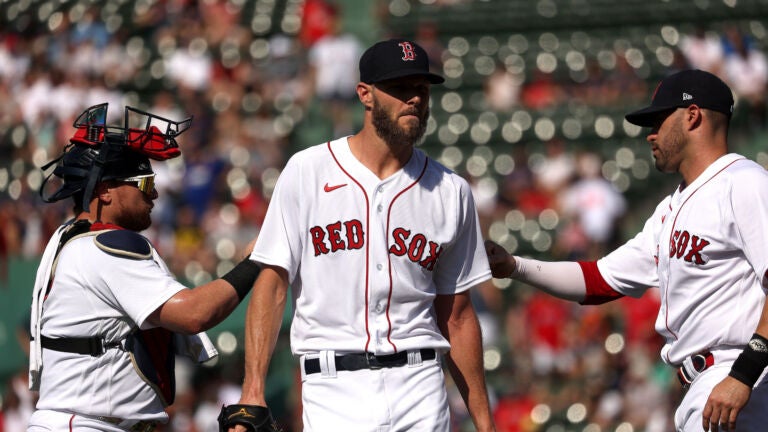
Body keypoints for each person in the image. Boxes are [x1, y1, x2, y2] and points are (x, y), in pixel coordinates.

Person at [224, 39, 496, 431]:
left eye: (421, 88)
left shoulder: (451, 191)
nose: (414, 99)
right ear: (365, 95)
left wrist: (485, 423)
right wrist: (253, 390)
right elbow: (273, 283)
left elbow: (457, 315)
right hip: (333, 386)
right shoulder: (308, 171)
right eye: (400, 89)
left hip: (419, 384)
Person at [485, 69, 768, 432]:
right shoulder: (670, 208)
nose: (650, 134)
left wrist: (744, 374)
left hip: (742, 377)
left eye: (657, 121)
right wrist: (514, 266)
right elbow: (598, 280)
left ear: (692, 116)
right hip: (703, 386)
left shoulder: (744, 183)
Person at [27, 103, 262, 432]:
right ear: (104, 192)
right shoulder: (107, 246)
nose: (153, 195)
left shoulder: (65, 238)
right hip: (87, 424)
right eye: (143, 184)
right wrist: (256, 261)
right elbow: (194, 313)